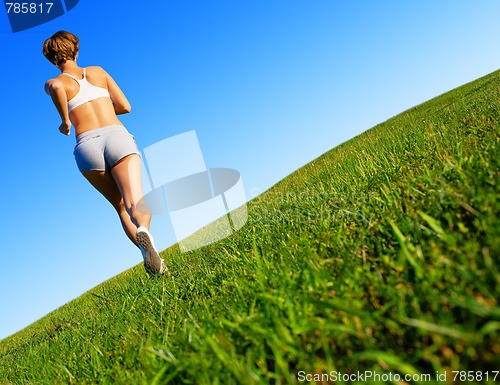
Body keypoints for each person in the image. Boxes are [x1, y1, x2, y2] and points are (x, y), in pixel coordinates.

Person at [42, 30, 167, 275]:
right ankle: (144, 229)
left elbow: (56, 85)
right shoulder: (98, 72)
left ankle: (155, 262)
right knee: (134, 202)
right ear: (76, 49)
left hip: (87, 147)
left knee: (120, 207)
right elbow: (126, 107)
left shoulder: (54, 83)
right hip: (117, 137)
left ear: (52, 59)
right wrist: (103, 109)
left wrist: (66, 121)